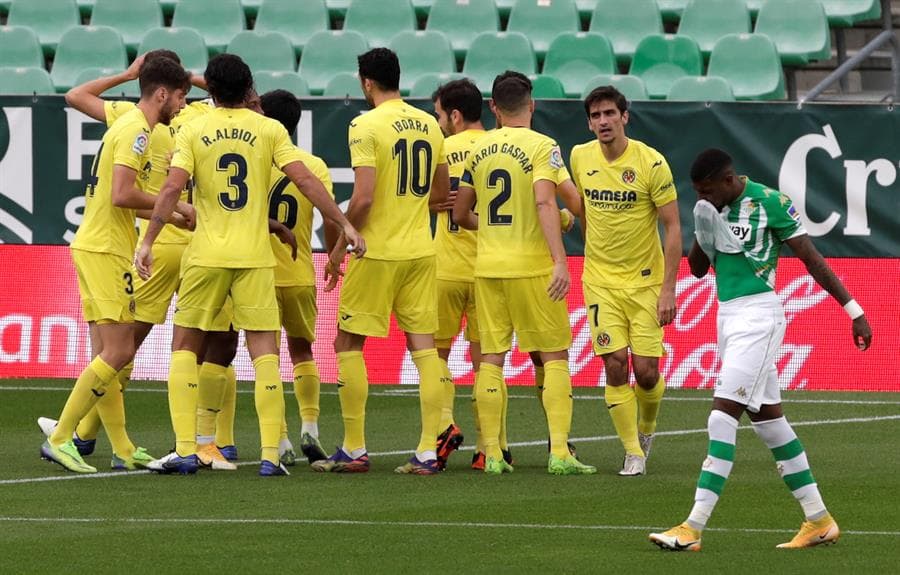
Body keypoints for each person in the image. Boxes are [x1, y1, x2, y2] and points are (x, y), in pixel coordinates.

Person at [135, 54, 365, 476]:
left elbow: (171, 187)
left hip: (205, 255)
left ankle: (188, 448)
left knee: (185, 346)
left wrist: (148, 240)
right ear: (248, 88)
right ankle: (270, 455)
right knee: (264, 354)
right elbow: (306, 180)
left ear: (211, 91)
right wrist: (345, 223)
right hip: (256, 259)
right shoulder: (269, 128)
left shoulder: (193, 127)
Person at [649, 148, 872, 551]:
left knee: (721, 418)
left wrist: (853, 310)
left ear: (728, 180)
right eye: (697, 191)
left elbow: (812, 259)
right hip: (728, 318)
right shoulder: (712, 207)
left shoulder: (769, 202)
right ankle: (819, 520)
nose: (703, 196)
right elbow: (699, 270)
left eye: (707, 190)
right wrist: (705, 226)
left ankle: (692, 527)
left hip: (759, 317)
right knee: (770, 424)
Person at [40, 57, 194, 473]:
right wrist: (174, 204)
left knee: (107, 353)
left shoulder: (128, 122)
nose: (182, 105)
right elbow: (122, 194)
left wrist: (169, 214)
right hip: (105, 248)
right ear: (162, 93)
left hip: (98, 243)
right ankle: (60, 438)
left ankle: (123, 448)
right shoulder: (137, 132)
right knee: (120, 350)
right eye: (180, 96)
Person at [314, 48, 450, 475]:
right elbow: (440, 194)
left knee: (348, 344)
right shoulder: (430, 123)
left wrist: (338, 248)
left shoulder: (365, 124)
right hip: (421, 251)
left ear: (366, 82)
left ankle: (353, 448)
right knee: (424, 349)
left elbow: (365, 197)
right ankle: (429, 450)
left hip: (377, 251)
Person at [431, 78, 578, 471]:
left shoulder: (478, 151)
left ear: (494, 108)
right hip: (531, 268)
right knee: (554, 356)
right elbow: (550, 202)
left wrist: (496, 228)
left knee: (492, 360)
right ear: (532, 105)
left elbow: (459, 214)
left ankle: (493, 453)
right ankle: (560, 452)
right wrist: (560, 259)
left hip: (488, 268)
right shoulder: (542, 146)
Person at [570, 86, 682, 476]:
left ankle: (647, 430)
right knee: (616, 365)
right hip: (600, 281)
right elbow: (583, 210)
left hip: (647, 283)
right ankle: (633, 452)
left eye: (609, 114)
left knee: (646, 371)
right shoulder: (580, 157)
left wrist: (669, 288)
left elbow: (672, 228)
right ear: (589, 122)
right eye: (596, 116)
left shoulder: (651, 164)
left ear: (624, 117)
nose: (603, 121)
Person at [260, 89, 338, 466]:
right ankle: (310, 426)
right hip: (300, 272)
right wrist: (335, 257)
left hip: (258, 274)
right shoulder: (314, 165)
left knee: (266, 357)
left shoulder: (257, 160)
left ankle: (280, 439)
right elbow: (330, 216)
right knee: (302, 351)